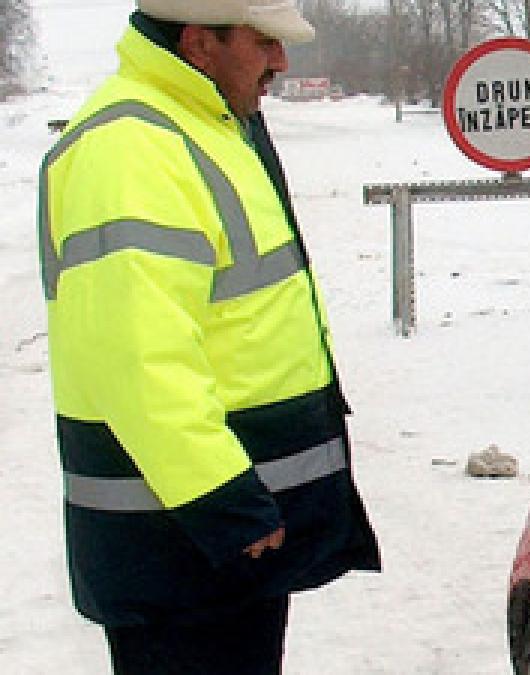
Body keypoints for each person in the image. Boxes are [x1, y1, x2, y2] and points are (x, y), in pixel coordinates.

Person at [36, 1, 381, 673]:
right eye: (264, 42)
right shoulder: (132, 146)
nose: (281, 61)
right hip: (181, 547)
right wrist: (226, 503)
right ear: (199, 43)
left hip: (214, 546)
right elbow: (137, 357)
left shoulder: (205, 126)